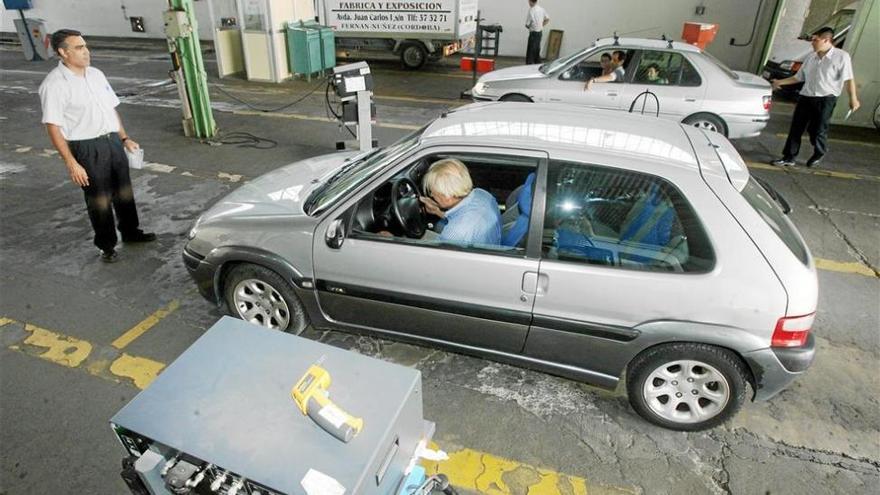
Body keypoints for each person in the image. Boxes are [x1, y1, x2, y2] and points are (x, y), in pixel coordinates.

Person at [39, 29, 155, 263]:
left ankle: (131, 233)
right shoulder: (54, 85)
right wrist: (72, 163)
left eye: (85, 46)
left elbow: (111, 109)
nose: (86, 52)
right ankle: (107, 245)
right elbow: (53, 127)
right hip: (86, 147)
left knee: (124, 192)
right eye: (79, 48)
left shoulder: (96, 75)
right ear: (63, 52)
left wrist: (124, 138)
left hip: (112, 140)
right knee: (99, 199)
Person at [770, 27, 860, 168]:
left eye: (815, 40)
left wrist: (853, 98)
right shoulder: (811, 57)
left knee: (817, 130)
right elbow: (798, 77)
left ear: (826, 40)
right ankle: (789, 157)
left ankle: (820, 151)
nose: (812, 43)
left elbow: (849, 79)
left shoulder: (841, 56)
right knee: (796, 128)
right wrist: (779, 82)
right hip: (806, 97)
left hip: (825, 99)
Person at [419, 159, 502, 246]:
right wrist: (436, 211)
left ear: (447, 195)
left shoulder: (455, 234)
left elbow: (438, 257)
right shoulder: (482, 194)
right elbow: (459, 215)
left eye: (433, 191)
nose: (431, 195)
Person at [524, 0, 550, 65]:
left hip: (533, 33)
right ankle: (538, 64)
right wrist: (541, 26)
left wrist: (530, 27)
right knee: (537, 49)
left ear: (530, 1)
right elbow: (547, 19)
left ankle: (529, 65)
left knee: (530, 51)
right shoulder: (541, 9)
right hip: (539, 33)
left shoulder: (531, 10)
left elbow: (527, 24)